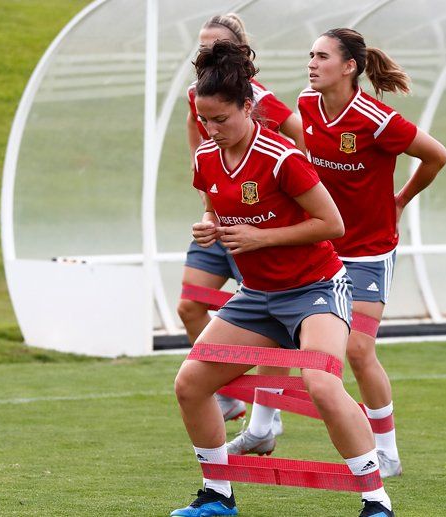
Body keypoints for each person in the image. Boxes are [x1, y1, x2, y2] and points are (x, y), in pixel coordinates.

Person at [170, 40, 395, 517]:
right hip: (257, 296)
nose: (212, 130)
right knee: (190, 383)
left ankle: (376, 502)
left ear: (248, 106)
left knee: (322, 383)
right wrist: (209, 228)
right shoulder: (207, 157)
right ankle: (217, 496)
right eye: (204, 120)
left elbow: (333, 226)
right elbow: (216, 207)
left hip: (316, 288)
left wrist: (259, 238)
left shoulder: (282, 156)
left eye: (221, 119)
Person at [228, 28, 446, 480]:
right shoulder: (306, 105)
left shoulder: (377, 119)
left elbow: (436, 156)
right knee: (282, 339)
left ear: (349, 67)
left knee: (359, 349)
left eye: (322, 56)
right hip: (321, 248)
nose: (311, 63)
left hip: (368, 251)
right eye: (310, 55)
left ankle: (386, 453)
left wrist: (400, 200)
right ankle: (261, 428)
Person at [178, 13, 300, 423]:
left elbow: (297, 133)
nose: (205, 51)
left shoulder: (257, 97)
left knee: (271, 317)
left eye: (213, 44)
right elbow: (199, 153)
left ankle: (267, 413)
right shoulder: (196, 95)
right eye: (201, 44)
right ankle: (227, 395)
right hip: (220, 220)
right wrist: (209, 208)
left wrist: (292, 182)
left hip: (260, 223)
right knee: (189, 305)